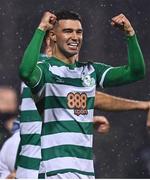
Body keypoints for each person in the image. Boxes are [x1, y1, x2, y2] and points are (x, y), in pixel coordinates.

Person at [17, 10, 145, 178]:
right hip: (56, 171)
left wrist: (130, 34)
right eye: (68, 31)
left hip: (85, 171)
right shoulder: (46, 69)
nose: (75, 37)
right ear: (53, 36)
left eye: (79, 32)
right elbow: (25, 72)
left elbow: (136, 72)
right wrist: (41, 28)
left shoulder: (91, 70)